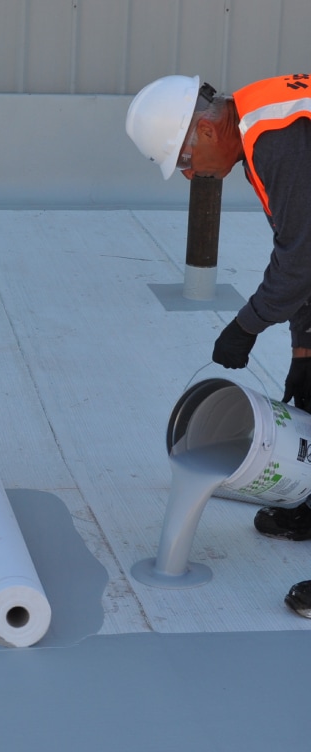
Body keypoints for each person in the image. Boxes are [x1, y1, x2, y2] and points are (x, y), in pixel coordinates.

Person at [126, 73, 311, 618]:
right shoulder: (267, 123)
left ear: (204, 131)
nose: (188, 174)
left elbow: (302, 260)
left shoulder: (275, 137)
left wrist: (247, 325)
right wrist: (305, 350)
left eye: (182, 160)